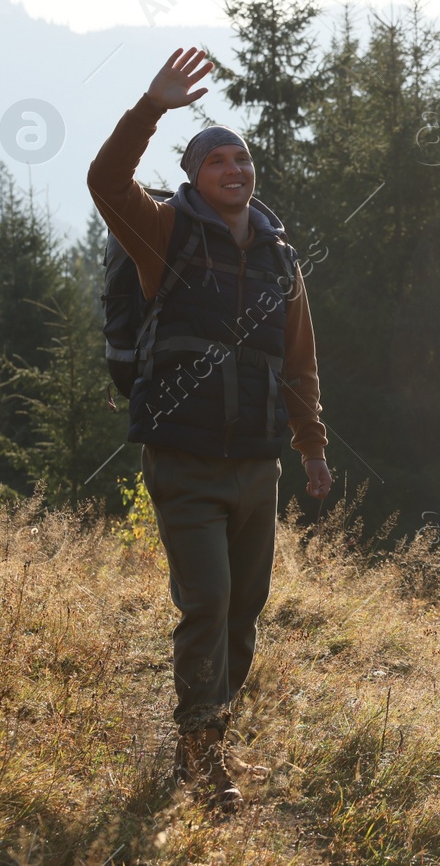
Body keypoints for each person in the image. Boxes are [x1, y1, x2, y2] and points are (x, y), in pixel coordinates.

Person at [87, 46, 332, 810]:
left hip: (258, 464)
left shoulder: (279, 257)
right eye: (218, 159)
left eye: (244, 158)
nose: (235, 168)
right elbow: (105, 182)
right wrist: (152, 106)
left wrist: (312, 447)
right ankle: (200, 754)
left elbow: (300, 359)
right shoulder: (164, 234)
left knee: (243, 609)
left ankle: (210, 733)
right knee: (208, 601)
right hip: (184, 459)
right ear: (193, 175)